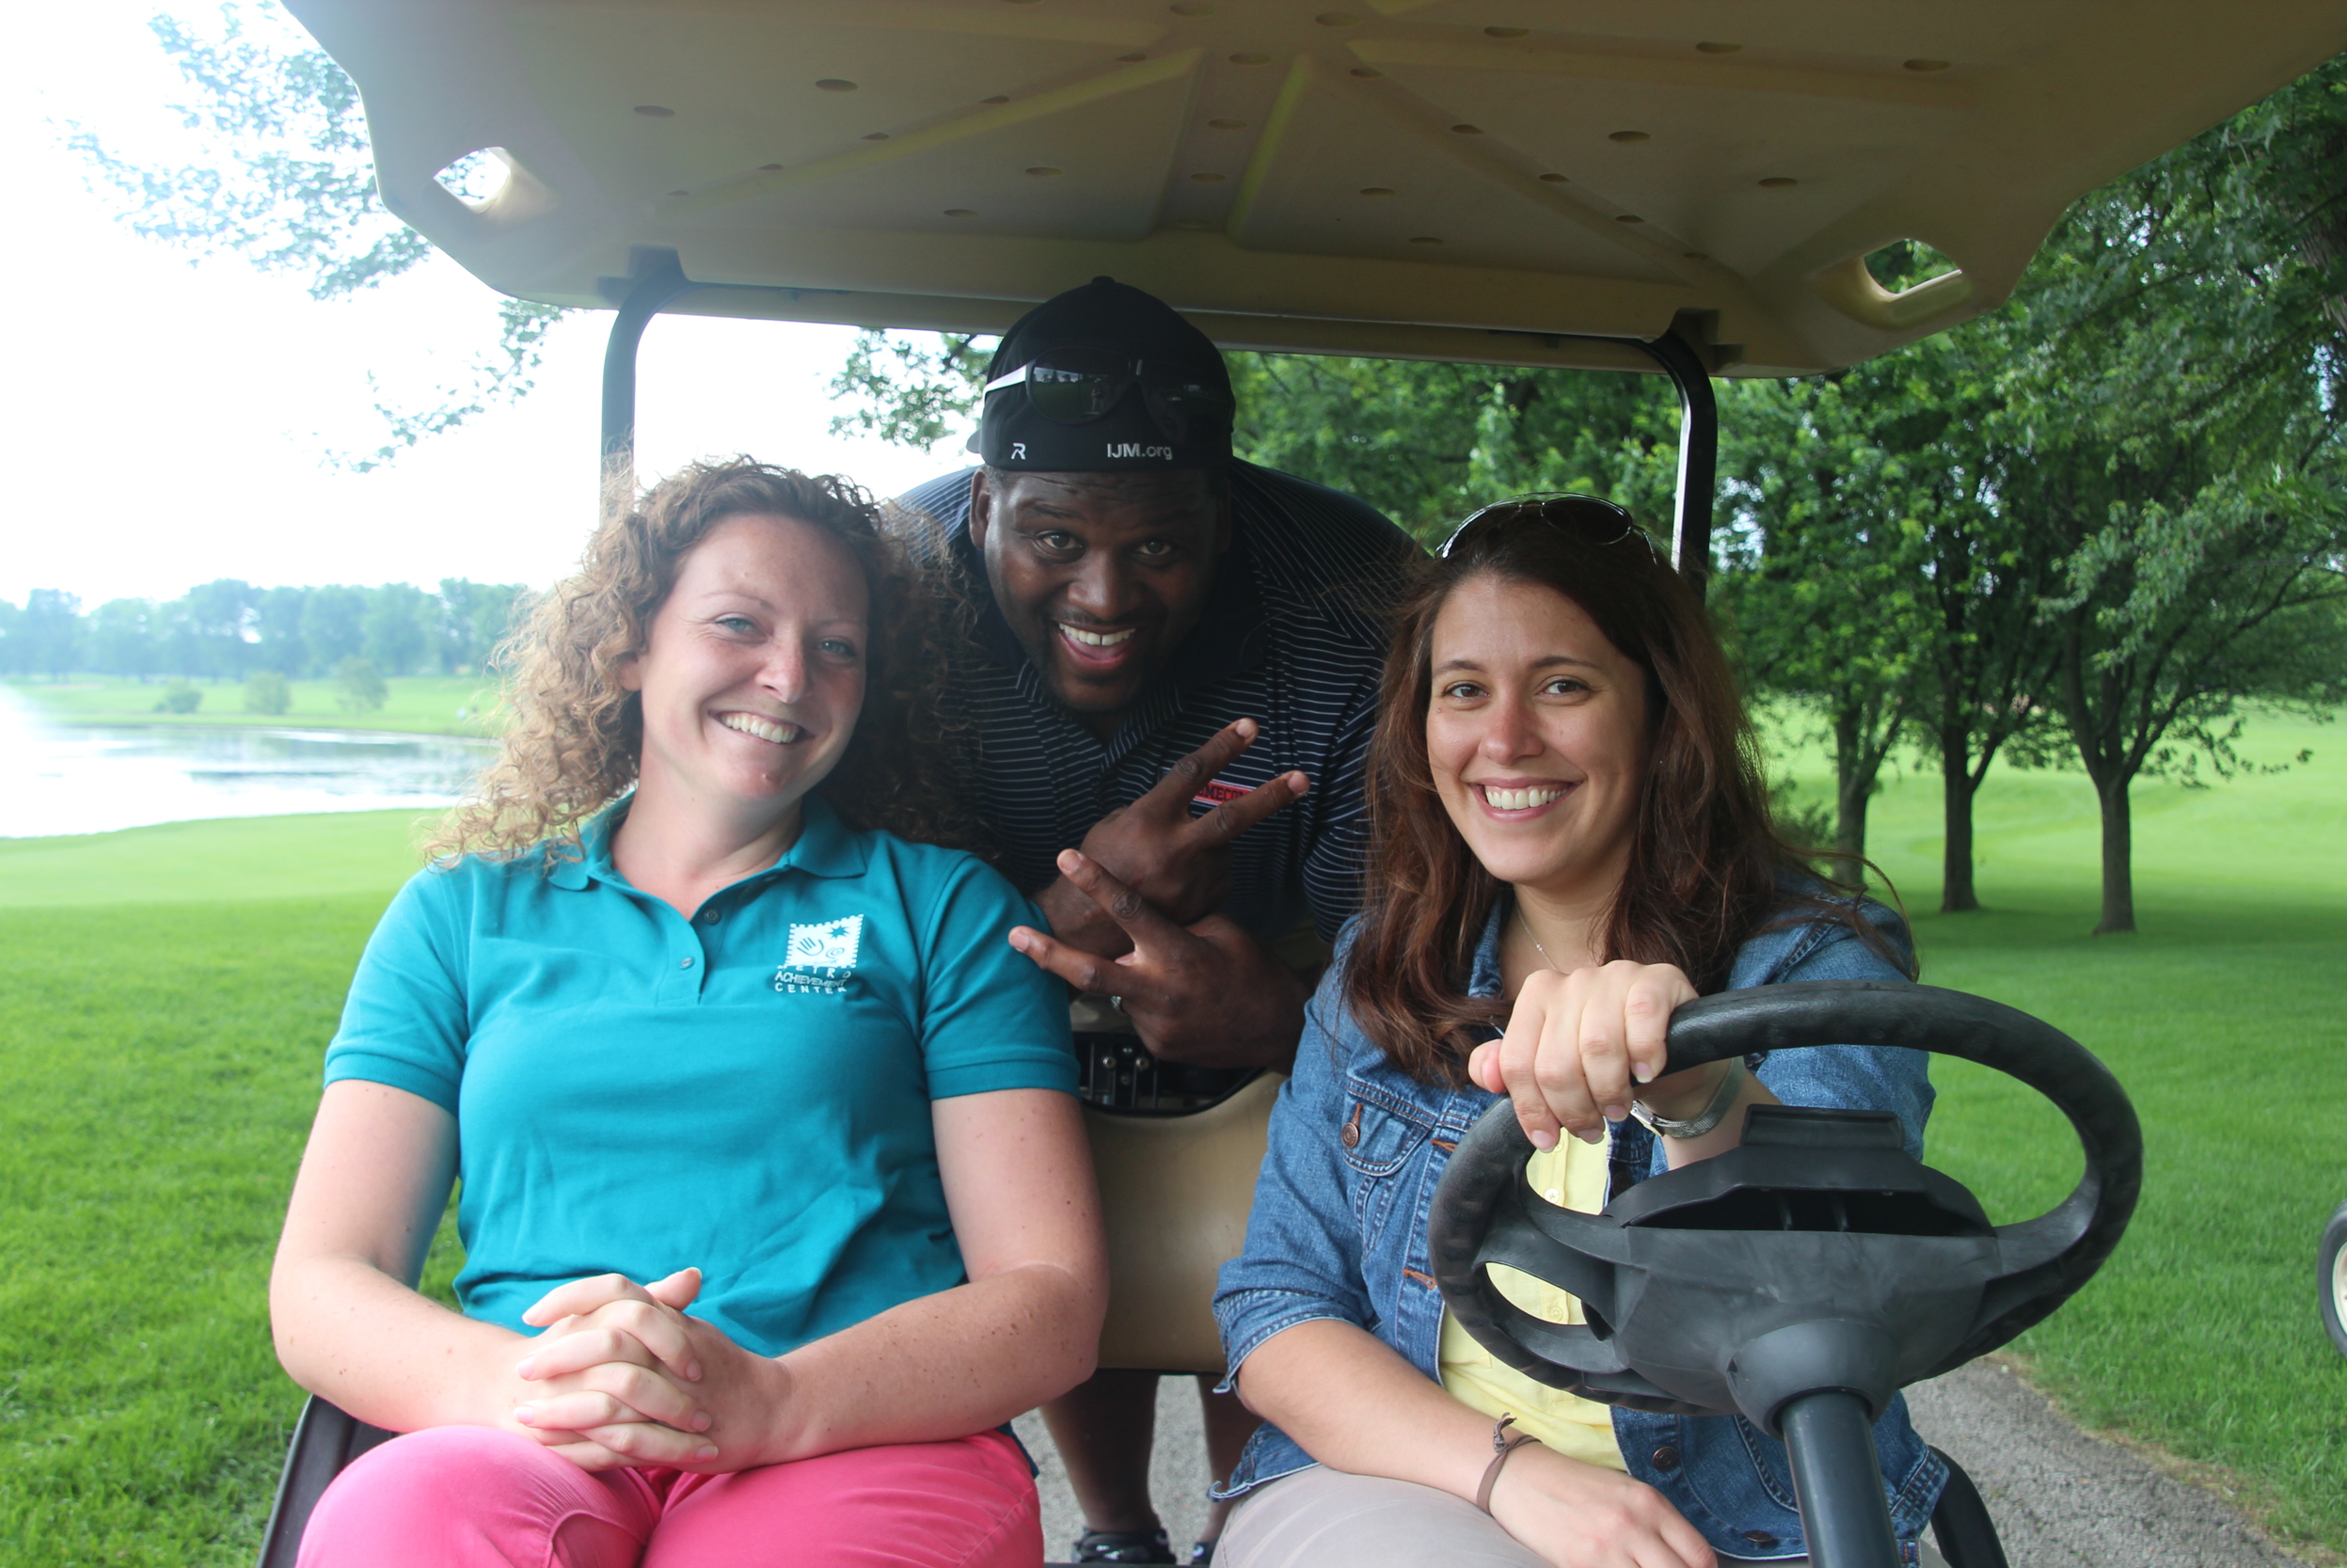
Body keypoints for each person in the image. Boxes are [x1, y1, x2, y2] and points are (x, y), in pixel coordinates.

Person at [270, 460, 1106, 1567]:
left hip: (854, 1431)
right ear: (630, 645)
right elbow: (326, 1278)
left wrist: (774, 1399)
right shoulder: (462, 916)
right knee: (407, 1527)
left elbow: (1049, 1297)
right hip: (530, 1424)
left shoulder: (938, 908)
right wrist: (533, 1385)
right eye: (737, 623)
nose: (789, 673)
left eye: (837, 645)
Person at [1209, 496, 1948, 1568]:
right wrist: (1515, 1476)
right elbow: (1278, 1305)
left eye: (1562, 684)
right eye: (1463, 690)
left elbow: (1853, 1295)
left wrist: (1703, 1092)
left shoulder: (1811, 966)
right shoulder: (1378, 974)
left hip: (1757, 1521)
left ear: (1659, 712)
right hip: (1415, 1489)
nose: (1504, 738)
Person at [896, 278, 1418, 1562]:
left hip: (1276, 982)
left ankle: (1255, 1519)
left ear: (1225, 519)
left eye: (1160, 546)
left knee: (1295, 1199)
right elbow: (855, 955)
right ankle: (1117, 1531)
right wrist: (1066, 908)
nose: (1106, 594)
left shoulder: (1359, 608)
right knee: (1052, 1178)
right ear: (980, 508)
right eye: (1054, 539)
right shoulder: (883, 598)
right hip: (978, 1010)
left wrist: (1290, 1021)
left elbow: (1412, 953)